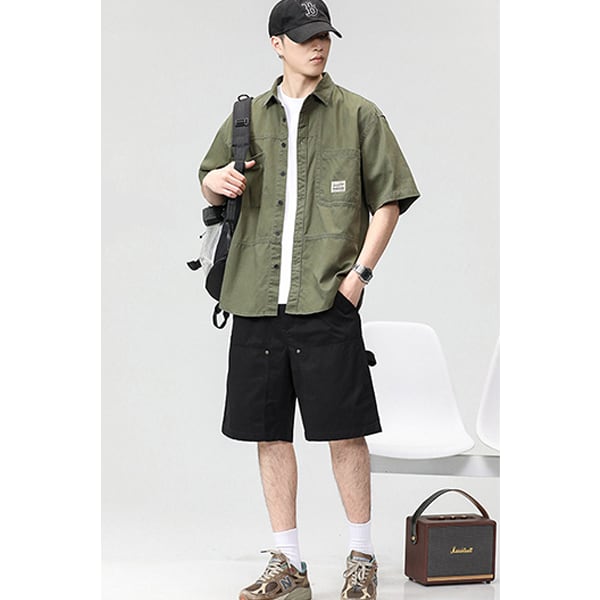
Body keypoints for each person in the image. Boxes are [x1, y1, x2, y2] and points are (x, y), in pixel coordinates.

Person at [198, 1, 420, 598]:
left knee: (344, 433)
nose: (318, 46)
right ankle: (289, 565)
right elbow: (210, 181)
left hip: (326, 299)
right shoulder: (246, 116)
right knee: (270, 435)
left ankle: (361, 556)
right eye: (304, 37)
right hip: (255, 298)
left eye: (324, 35)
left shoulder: (358, 114)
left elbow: (390, 199)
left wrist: (360, 276)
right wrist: (214, 181)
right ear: (278, 44)